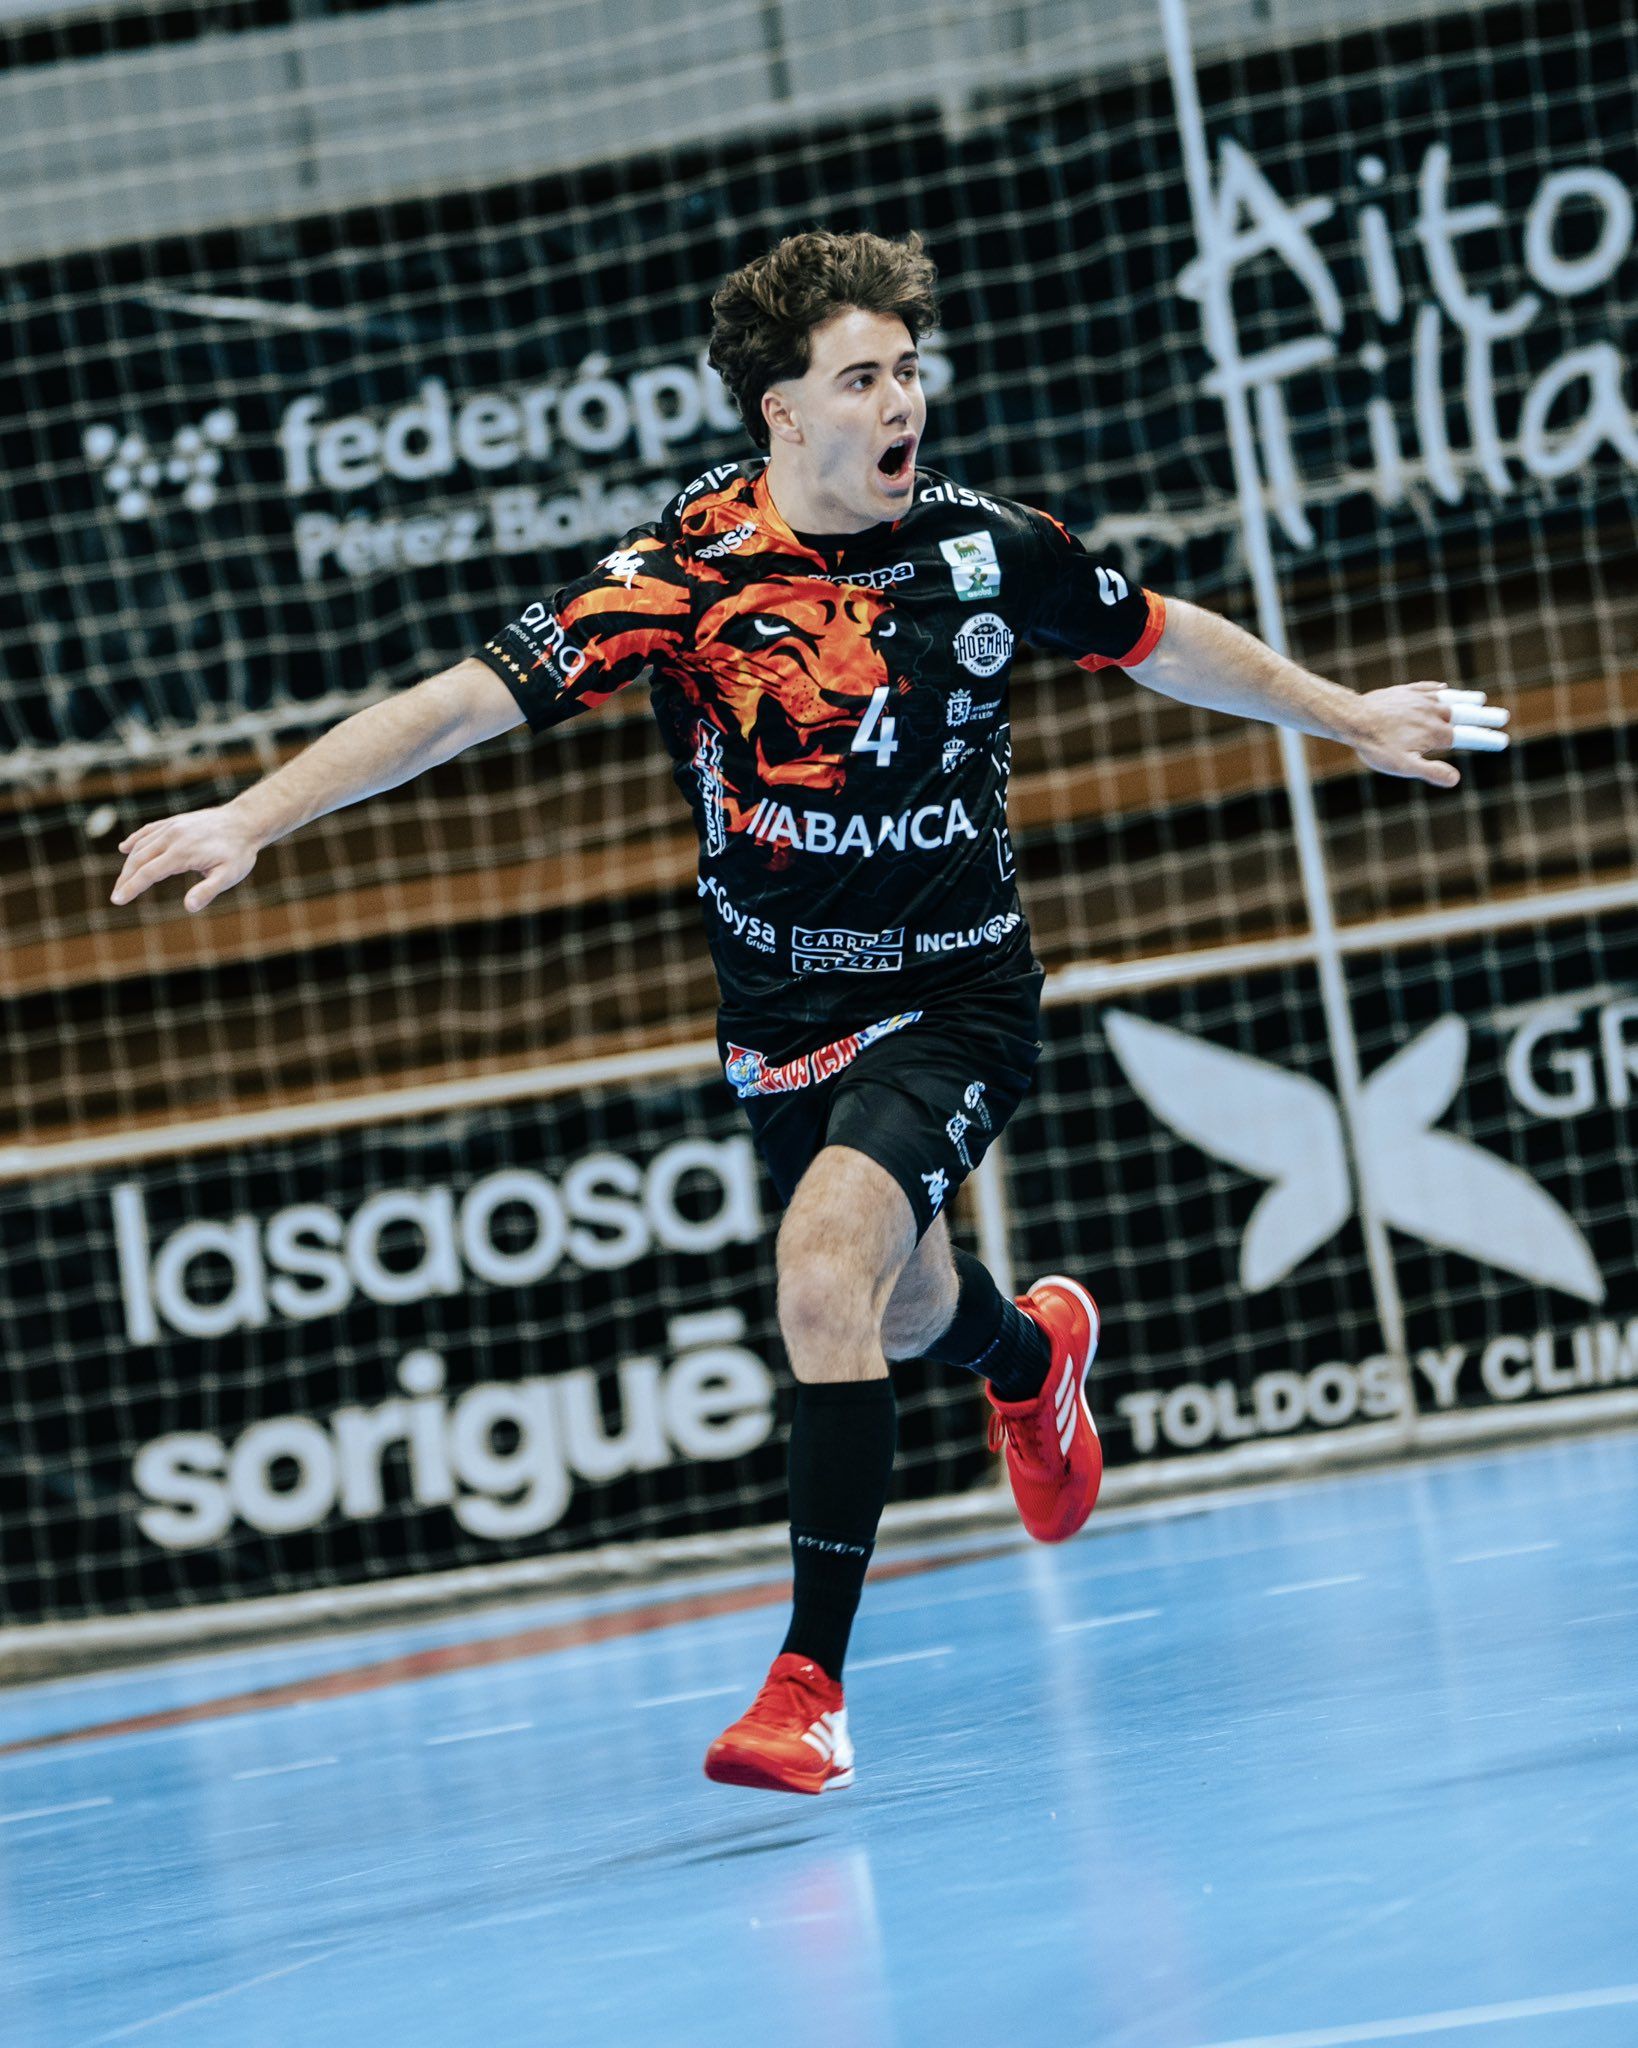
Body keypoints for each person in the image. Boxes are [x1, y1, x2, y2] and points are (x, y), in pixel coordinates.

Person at [110, 229, 1508, 1797]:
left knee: (818, 1271)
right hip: (781, 1014)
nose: (901, 399)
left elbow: (1155, 637)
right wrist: (256, 813)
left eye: (908, 369)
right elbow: (449, 708)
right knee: (900, 1309)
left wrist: (1338, 712)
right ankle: (1026, 1352)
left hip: (958, 992)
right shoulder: (682, 575)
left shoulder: (983, 547)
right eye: (863, 377)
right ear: (782, 413)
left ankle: (807, 1689)